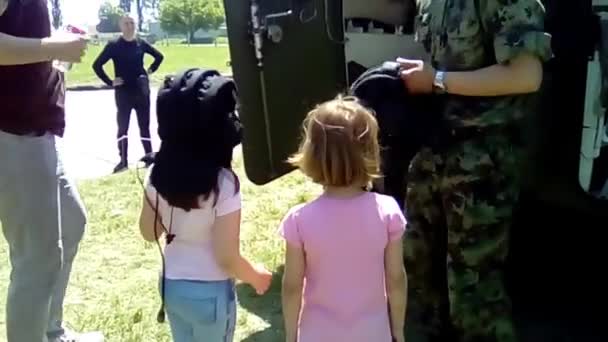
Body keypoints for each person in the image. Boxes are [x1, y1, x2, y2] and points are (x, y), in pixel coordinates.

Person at [397, 0, 552, 341]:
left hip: (483, 157)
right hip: (435, 144)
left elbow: (527, 75)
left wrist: (436, 80)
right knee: (418, 267)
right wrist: (423, 74)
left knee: (473, 286)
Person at [137, 70, 273, 342]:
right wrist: (256, 277)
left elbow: (148, 232)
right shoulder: (223, 184)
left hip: (171, 287)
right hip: (209, 294)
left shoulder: (156, 174)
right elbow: (226, 257)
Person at [0, 0, 104, 341]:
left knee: (72, 222)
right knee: (36, 258)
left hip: (38, 131)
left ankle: (50, 332)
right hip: (14, 133)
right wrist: (55, 47)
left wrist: (55, 47)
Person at [279, 96, 408, 342]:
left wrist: (290, 335)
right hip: (372, 334)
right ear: (370, 152)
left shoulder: (299, 220)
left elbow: (292, 286)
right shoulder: (387, 212)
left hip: (318, 334)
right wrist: (398, 330)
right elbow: (396, 278)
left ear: (311, 155)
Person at [92, 15, 164, 174]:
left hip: (141, 90)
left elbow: (159, 57)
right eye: (126, 23)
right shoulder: (114, 45)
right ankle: (123, 161)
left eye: (132, 23)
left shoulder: (140, 43)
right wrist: (110, 81)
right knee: (123, 127)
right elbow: (97, 65)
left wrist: (149, 71)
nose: (130, 26)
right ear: (121, 26)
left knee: (144, 126)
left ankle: (149, 157)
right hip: (123, 92)